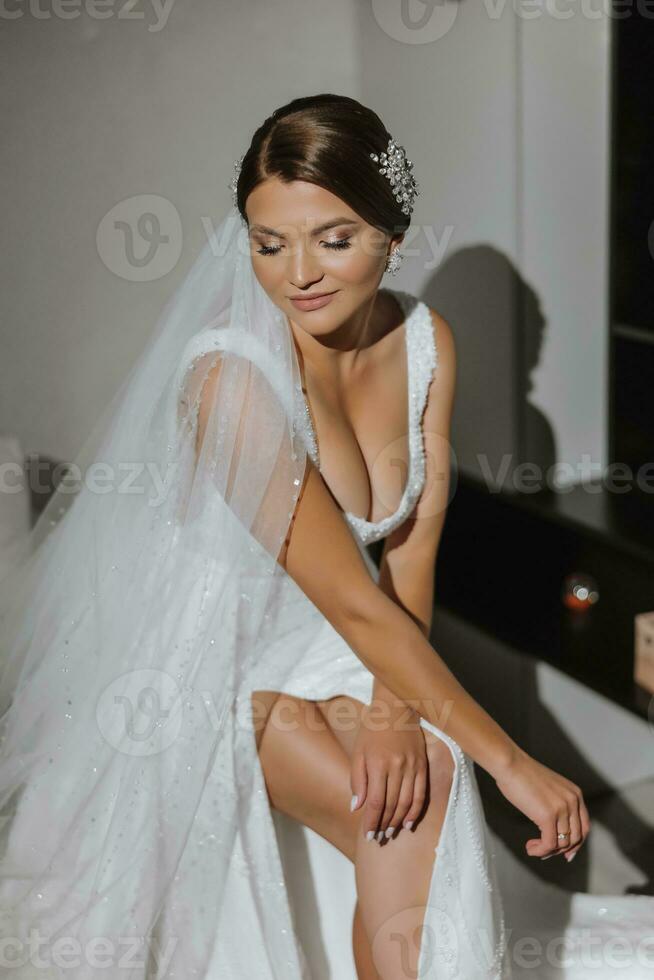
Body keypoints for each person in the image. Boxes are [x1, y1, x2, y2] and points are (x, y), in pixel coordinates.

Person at [0, 93, 651, 980]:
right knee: (413, 799)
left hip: (343, 647)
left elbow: (409, 557)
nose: (297, 273)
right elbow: (351, 594)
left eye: (332, 239)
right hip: (206, 665)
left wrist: (392, 713)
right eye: (269, 245)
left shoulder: (426, 343)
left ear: (391, 232)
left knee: (426, 781)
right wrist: (514, 762)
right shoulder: (231, 384)